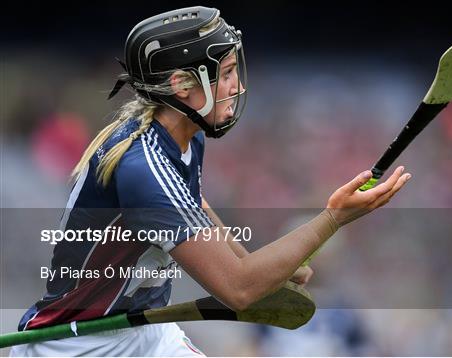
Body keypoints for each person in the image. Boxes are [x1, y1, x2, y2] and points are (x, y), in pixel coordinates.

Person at [10, 6, 411, 357]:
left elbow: (194, 207)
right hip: (78, 345)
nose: (236, 87)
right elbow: (237, 291)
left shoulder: (183, 136)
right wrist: (332, 219)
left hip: (143, 332)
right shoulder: (142, 169)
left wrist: (256, 262)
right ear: (182, 85)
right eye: (227, 74)